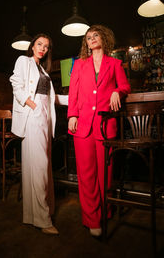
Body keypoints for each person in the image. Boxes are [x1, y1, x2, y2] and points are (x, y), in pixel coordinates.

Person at [67, 25, 131, 237]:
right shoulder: (79, 65)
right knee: (86, 175)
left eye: (95, 35)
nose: (92, 39)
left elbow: (125, 86)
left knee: (106, 174)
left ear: (104, 38)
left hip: (105, 127)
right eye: (88, 37)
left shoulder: (114, 64)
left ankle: (106, 211)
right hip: (82, 125)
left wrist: (117, 91)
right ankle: (92, 218)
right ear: (86, 43)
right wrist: (72, 115)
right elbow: (73, 92)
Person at [9, 33, 68, 235]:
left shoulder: (43, 70)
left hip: (45, 118)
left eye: (46, 46)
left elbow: (51, 98)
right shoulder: (23, 61)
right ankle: (43, 220)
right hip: (33, 116)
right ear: (32, 46)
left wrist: (76, 100)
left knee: (43, 166)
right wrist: (32, 105)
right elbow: (16, 84)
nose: (43, 48)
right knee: (40, 166)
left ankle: (37, 214)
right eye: (39, 44)